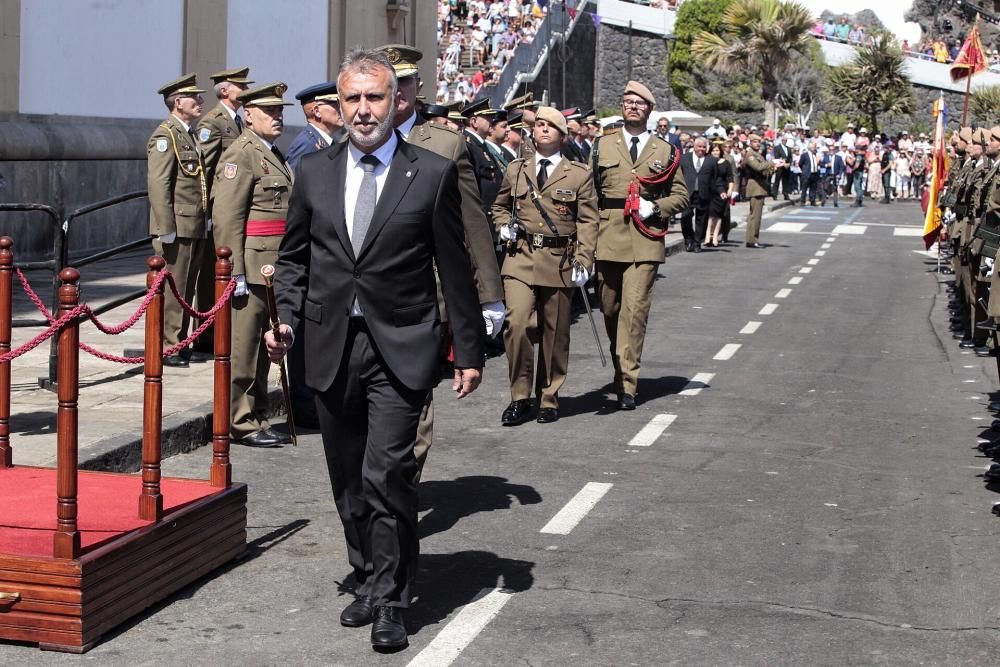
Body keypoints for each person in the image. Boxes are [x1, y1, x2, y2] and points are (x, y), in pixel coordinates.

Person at [265, 48, 483, 651]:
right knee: (348, 479)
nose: (363, 110)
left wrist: (467, 350)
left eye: (375, 97)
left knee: (388, 472)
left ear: (397, 102)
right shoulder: (313, 171)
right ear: (339, 104)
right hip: (331, 344)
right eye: (353, 98)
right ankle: (365, 575)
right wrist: (284, 318)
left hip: (403, 345)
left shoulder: (430, 173)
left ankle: (391, 598)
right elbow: (293, 260)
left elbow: (454, 269)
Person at [376, 43, 504, 478]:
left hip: (425, 294)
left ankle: (400, 494)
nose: (398, 91)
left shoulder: (446, 144)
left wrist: (489, 296)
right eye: (388, 83)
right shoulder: (353, 140)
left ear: (418, 86)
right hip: (364, 294)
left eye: (405, 82)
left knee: (415, 403)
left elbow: (472, 223)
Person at [492, 106, 598, 425]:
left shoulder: (579, 174)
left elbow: (589, 220)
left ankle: (548, 396)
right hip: (521, 256)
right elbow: (498, 206)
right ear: (533, 132)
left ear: (563, 136)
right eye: (539, 125)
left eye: (552, 126)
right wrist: (502, 225)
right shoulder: (516, 169)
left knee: (555, 331)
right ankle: (520, 396)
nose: (544, 130)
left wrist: (584, 258)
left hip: (560, 259)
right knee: (518, 323)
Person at [592, 81, 688, 410]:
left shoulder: (665, 150)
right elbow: (588, 194)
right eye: (627, 101)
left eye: (639, 103)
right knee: (610, 309)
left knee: (634, 314)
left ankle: (627, 384)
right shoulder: (601, 146)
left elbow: (681, 195)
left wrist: (657, 207)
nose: (632, 106)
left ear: (649, 110)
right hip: (607, 236)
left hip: (645, 237)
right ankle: (622, 366)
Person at [211, 82, 295, 448]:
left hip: (271, 268)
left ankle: (259, 413)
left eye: (280, 111)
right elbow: (228, 217)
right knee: (244, 349)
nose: (278, 116)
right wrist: (235, 274)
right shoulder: (240, 154)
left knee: (265, 348)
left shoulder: (271, 152)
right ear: (249, 115)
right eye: (270, 111)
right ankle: (239, 420)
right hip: (251, 265)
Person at [147, 73, 209, 368]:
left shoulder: (189, 134)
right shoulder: (166, 135)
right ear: (177, 102)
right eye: (194, 97)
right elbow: (160, 185)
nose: (200, 101)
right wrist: (165, 227)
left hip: (194, 223)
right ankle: (168, 345)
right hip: (177, 226)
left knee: (187, 288)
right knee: (175, 288)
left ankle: (180, 340)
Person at [286, 81, 344, 173]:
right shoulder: (306, 144)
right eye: (336, 104)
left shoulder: (329, 142)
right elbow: (294, 184)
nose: (342, 109)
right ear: (317, 112)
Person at [680, 137, 721, 252]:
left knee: (701, 219)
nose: (701, 149)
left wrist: (717, 191)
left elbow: (715, 177)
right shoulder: (684, 159)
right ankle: (688, 239)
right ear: (694, 146)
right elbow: (679, 175)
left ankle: (697, 242)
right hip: (687, 193)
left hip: (704, 193)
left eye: (704, 147)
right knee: (685, 217)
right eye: (699, 146)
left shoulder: (711, 160)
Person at [743, 133, 775, 249]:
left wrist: (773, 168)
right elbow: (758, 167)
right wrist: (772, 163)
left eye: (758, 142)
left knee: (756, 215)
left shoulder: (758, 154)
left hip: (760, 186)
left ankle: (752, 239)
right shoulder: (750, 154)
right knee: (755, 216)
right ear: (750, 143)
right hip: (755, 186)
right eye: (755, 142)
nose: (757, 144)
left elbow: (764, 170)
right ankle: (752, 240)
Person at [705, 142, 733, 247]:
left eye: (717, 150)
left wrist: (730, 189)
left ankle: (716, 236)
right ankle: (708, 236)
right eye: (713, 150)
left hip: (722, 192)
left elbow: (730, 177)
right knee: (711, 215)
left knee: (719, 216)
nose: (715, 152)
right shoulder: (708, 162)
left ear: (720, 151)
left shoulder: (726, 163)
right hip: (711, 191)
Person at [798, 141, 820, 206]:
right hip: (807, 174)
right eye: (813, 147)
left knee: (813, 188)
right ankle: (802, 201)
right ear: (810, 148)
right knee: (804, 188)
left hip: (814, 173)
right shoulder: (804, 155)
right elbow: (800, 164)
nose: (815, 148)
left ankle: (812, 200)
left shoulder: (815, 154)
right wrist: (804, 170)